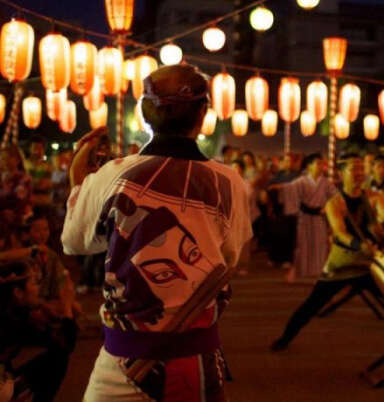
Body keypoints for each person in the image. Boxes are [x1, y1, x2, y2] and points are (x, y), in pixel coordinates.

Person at [61, 64, 252, 401]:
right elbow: (229, 256)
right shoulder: (228, 182)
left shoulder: (113, 175)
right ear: (203, 114)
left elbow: (75, 242)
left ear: (145, 115)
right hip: (196, 359)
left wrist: (81, 179)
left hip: (123, 363)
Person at [270, 153, 384, 351]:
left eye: (362, 168)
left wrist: (383, 225)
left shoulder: (374, 197)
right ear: (341, 173)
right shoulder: (334, 202)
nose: (360, 173)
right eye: (354, 169)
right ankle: (285, 338)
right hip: (342, 264)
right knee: (312, 304)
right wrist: (359, 244)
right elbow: (340, 233)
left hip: (368, 264)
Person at [0, 260, 78, 402]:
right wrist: (67, 306)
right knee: (57, 358)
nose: (38, 288)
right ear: (18, 292)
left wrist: (43, 305)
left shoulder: (11, 310)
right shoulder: (12, 321)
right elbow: (64, 343)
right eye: (34, 283)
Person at [273, 153, 336, 282]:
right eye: (317, 163)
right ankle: (297, 272)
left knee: (320, 245)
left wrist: (328, 207)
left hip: (319, 218)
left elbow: (336, 197)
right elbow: (289, 189)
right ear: (309, 166)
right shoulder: (302, 181)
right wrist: (279, 188)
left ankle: (320, 273)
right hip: (305, 217)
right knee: (302, 245)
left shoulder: (326, 183)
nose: (320, 166)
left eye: (321, 164)